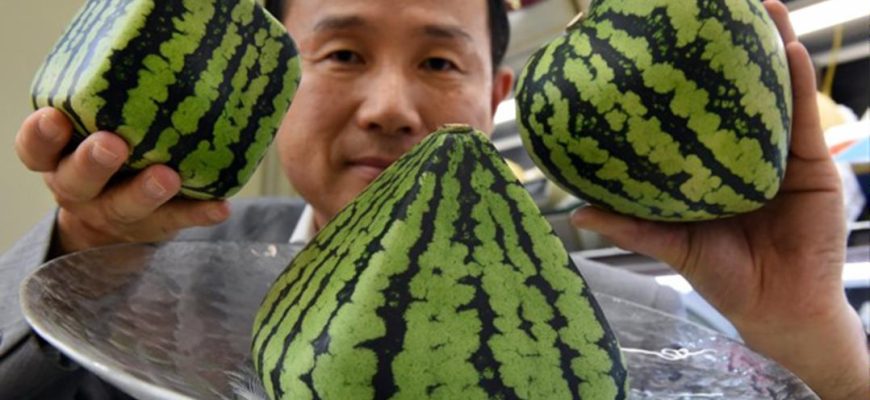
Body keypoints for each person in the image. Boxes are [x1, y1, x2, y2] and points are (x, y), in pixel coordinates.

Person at [1, 0, 866, 398]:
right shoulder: (149, 281)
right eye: (342, 54)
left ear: (497, 93)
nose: (390, 108)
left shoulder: (643, 333)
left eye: (440, 62)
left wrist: (803, 326)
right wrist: (85, 249)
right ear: (271, 89)